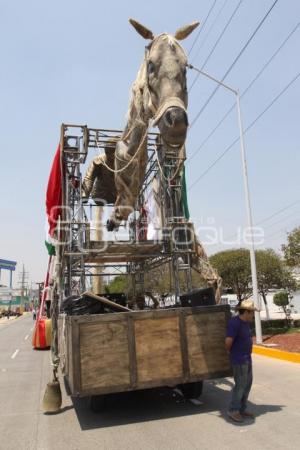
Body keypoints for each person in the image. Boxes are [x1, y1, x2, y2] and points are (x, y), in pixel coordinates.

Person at [225, 299, 259, 423]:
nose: (253, 315)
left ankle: (241, 409)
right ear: (246, 312)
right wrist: (231, 353)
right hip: (239, 360)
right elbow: (228, 341)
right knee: (240, 386)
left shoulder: (246, 323)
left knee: (247, 385)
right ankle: (233, 410)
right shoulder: (235, 323)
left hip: (247, 358)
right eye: (252, 313)